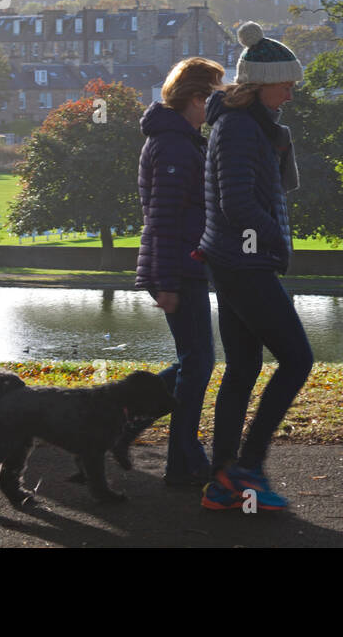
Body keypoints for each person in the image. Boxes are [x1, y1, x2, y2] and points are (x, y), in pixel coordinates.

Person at [195, 21, 312, 511]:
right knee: (297, 359)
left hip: (232, 261)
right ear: (261, 84)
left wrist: (278, 142)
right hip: (244, 263)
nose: (290, 94)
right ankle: (246, 465)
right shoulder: (241, 128)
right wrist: (273, 243)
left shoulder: (249, 125)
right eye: (285, 85)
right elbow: (238, 202)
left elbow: (268, 187)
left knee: (243, 367)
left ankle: (223, 478)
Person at [120, 56, 225, 487]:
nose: (220, 105)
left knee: (195, 362)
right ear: (196, 98)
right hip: (178, 269)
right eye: (216, 95)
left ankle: (124, 415)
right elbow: (161, 217)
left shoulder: (185, 140)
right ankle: (181, 460)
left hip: (187, 266)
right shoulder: (173, 145)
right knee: (198, 362)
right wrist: (164, 283)